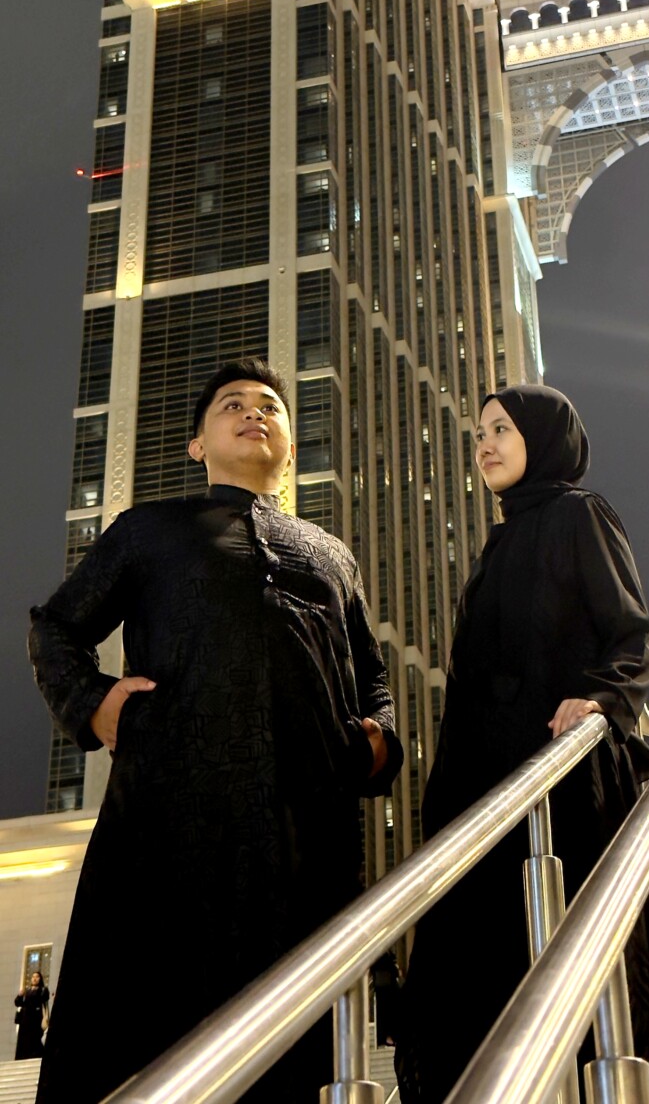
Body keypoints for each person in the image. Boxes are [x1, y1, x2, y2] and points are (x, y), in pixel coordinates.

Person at [29, 357, 403, 1104]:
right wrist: (94, 703)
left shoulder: (333, 556)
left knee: (296, 1046)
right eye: (232, 405)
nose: (253, 413)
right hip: (170, 820)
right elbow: (56, 627)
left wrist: (378, 740)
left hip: (307, 833)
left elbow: (374, 678)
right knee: (148, 1034)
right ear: (198, 444)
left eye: (269, 406)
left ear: (290, 447)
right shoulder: (148, 531)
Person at [395, 384, 649, 1102]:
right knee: (488, 982)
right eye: (479, 432)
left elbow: (633, 634)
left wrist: (602, 698)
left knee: (582, 964)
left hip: (565, 782)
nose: (484, 444)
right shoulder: (496, 545)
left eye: (502, 429)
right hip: (489, 788)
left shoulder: (579, 513)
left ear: (545, 439)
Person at [14, 972, 49, 1060]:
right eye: (33, 977)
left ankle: (35, 1055)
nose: (34, 978)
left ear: (40, 979)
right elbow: (18, 1003)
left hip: (36, 1018)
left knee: (35, 1038)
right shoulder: (27, 990)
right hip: (25, 1019)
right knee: (24, 1039)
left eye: (37, 977)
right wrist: (20, 995)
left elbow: (44, 999)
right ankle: (23, 1056)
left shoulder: (43, 989)